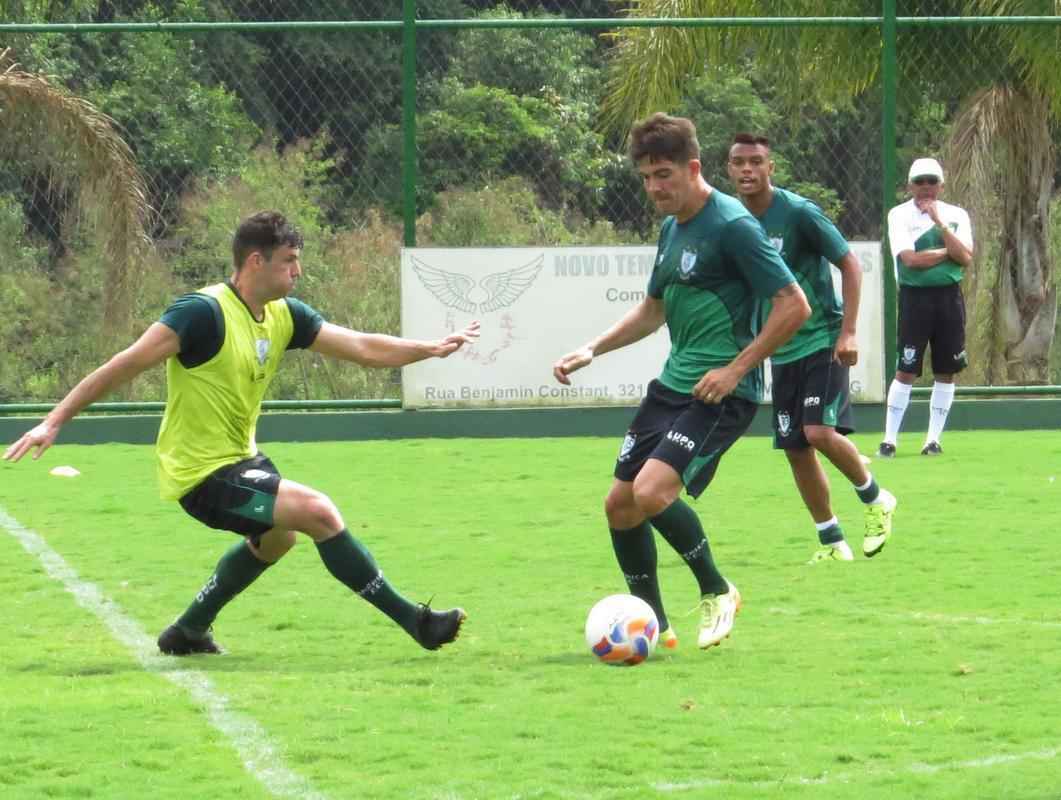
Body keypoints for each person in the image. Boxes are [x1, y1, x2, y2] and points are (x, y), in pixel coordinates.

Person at [3, 211, 480, 656]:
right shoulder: (202, 313)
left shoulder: (284, 315)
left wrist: (429, 349)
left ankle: (188, 630)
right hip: (201, 474)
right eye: (290, 261)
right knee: (317, 511)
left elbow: (361, 347)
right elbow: (122, 365)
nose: (298, 272)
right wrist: (54, 420)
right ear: (257, 261)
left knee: (279, 539)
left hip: (242, 462)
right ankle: (415, 623)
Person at [552, 113, 810, 651]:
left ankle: (719, 590)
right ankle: (653, 623)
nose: (654, 188)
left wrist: (737, 368)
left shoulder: (734, 226)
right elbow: (653, 309)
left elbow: (794, 305)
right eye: (646, 177)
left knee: (651, 492)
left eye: (664, 174)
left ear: (693, 168)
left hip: (722, 391)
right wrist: (592, 348)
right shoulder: (672, 227)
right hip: (673, 385)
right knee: (619, 505)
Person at [727, 133, 897, 563]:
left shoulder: (799, 213)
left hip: (822, 338)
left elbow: (850, 264)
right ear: (728, 170)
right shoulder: (730, 222)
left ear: (771, 168)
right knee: (796, 448)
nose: (747, 170)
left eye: (756, 162)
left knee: (818, 432)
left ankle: (876, 499)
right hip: (780, 350)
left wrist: (850, 332)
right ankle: (832, 543)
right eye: (738, 163)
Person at [880, 157, 973, 457]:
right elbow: (910, 260)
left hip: (949, 297)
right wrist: (950, 252)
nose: (925, 187)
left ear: (941, 185)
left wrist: (940, 224)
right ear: (909, 185)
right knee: (906, 369)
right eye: (919, 182)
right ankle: (890, 440)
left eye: (931, 181)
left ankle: (932, 440)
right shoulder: (898, 215)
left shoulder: (956, 215)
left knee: (946, 370)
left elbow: (967, 258)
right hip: (914, 298)